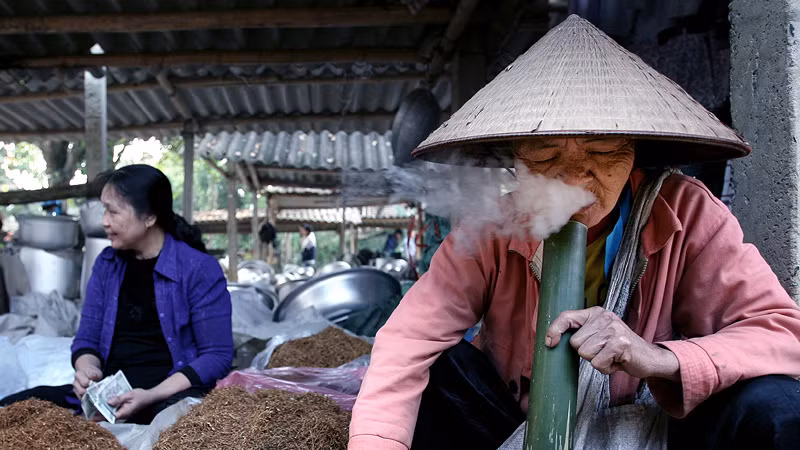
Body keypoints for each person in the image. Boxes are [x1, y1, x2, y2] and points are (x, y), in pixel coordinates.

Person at [349, 16, 800, 450]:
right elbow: (408, 341)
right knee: (435, 371)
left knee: (774, 404)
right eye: (544, 158)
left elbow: (783, 335)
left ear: (636, 151)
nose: (573, 179)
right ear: (514, 159)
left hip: (645, 423)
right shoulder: (492, 226)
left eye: (603, 152)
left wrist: (658, 358)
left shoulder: (688, 211)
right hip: (515, 428)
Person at [0, 164, 234, 425]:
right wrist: (87, 369)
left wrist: (151, 395)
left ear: (149, 217)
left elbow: (217, 355)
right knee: (14, 410)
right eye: (104, 210)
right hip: (110, 398)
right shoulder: (107, 264)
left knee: (169, 430)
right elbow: (87, 338)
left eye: (113, 211)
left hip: (169, 396)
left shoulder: (198, 269)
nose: (104, 221)